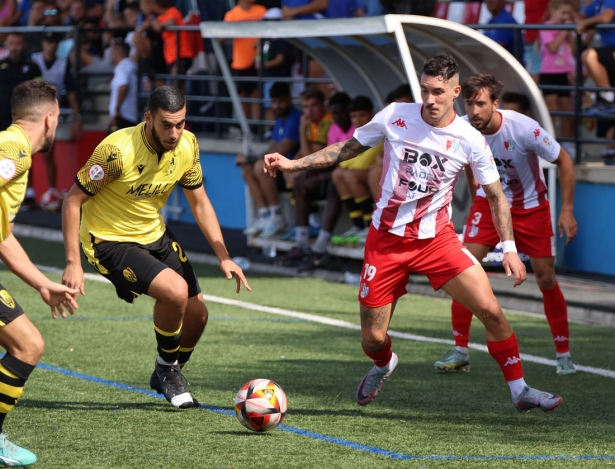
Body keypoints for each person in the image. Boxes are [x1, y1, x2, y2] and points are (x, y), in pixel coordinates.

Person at [264, 54, 564, 413]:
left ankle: (520, 390)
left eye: (438, 92)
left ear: (455, 92)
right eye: (424, 90)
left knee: (491, 311)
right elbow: (349, 147)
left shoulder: (470, 139)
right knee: (372, 338)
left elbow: (497, 196)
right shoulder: (395, 116)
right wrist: (294, 163)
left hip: (437, 241)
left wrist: (510, 248)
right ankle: (383, 364)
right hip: (386, 241)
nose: (430, 99)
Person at [61, 86, 251, 409]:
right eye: (166, 124)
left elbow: (200, 202)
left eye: (181, 124)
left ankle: (168, 370)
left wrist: (225, 257)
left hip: (154, 233)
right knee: (175, 291)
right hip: (108, 240)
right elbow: (72, 200)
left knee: (198, 317)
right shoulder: (117, 152)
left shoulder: (188, 146)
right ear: (148, 118)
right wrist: (73, 262)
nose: (175, 133)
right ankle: (166, 370)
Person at [433, 73, 578, 376]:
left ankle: (563, 354)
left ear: (495, 104)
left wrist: (566, 210)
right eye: (470, 104)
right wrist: (477, 202)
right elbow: (467, 169)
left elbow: (564, 161)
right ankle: (460, 351)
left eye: (481, 104)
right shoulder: (460, 129)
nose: (474, 111)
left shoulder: (523, 128)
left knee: (546, 278)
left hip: (530, 208)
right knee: (462, 269)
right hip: (488, 207)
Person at [0, 80, 79, 466]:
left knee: (27, 343)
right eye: (59, 118)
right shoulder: (14, 148)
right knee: (27, 345)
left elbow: (3, 238)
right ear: (49, 119)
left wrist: (43, 283)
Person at [275, 86, 333, 262]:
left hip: (330, 170)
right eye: (306, 106)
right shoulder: (311, 122)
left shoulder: (327, 122)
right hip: (318, 169)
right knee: (289, 172)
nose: (309, 111)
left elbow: (312, 158)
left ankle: (311, 225)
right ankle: (310, 222)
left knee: (300, 177)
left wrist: (301, 131)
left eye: (314, 105)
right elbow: (303, 155)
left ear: (323, 105)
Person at [237, 81, 301, 238]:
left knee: (260, 166)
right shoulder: (280, 120)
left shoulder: (295, 117)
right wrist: (250, 159)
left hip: (290, 169)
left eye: (281, 101)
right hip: (278, 169)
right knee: (247, 169)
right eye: (274, 102)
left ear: (289, 99)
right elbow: (273, 145)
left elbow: (284, 148)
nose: (277, 106)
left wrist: (253, 157)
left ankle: (277, 215)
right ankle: (265, 216)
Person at [31, 31, 83, 204]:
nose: (51, 45)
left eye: (54, 42)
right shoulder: (34, 60)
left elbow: (72, 91)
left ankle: (52, 190)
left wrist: (77, 116)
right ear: (43, 43)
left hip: (49, 115)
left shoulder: (62, 64)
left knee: (47, 153)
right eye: (48, 41)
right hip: (31, 112)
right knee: (26, 154)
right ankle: (28, 193)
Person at [329, 95, 380, 247]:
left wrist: (347, 162)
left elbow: (362, 163)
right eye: (354, 116)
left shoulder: (378, 131)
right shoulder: (361, 133)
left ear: (372, 113)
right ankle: (358, 225)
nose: (357, 120)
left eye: (362, 115)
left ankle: (371, 226)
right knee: (338, 174)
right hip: (368, 173)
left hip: (380, 175)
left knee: (350, 174)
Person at [578, 0, 615, 158]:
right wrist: (581, 21)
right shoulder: (597, 3)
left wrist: (585, 23)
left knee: (589, 55)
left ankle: (608, 96)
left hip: (611, 51)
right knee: (609, 111)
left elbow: (606, 18)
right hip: (609, 55)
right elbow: (580, 15)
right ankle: (610, 149)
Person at [539, 0, 576, 155]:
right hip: (549, 73)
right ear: (553, 11)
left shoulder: (566, 29)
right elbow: (553, 47)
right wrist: (564, 32)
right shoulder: (546, 27)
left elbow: (574, 49)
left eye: (568, 13)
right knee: (552, 109)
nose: (565, 16)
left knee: (567, 109)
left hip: (565, 73)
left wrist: (571, 34)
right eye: (563, 13)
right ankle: (549, 142)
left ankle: (567, 143)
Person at [223, 0, 267, 126]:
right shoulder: (232, 14)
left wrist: (259, 44)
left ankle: (257, 127)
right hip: (240, 62)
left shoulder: (261, 10)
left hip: (258, 61)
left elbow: (270, 30)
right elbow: (221, 37)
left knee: (256, 95)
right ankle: (245, 127)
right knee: (242, 96)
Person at [109, 39, 138, 132]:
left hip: (122, 117)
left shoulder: (122, 67)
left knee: (109, 146)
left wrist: (117, 109)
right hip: (130, 116)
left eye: (112, 51)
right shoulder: (131, 65)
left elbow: (123, 86)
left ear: (116, 52)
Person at [523, 0, 550, 82]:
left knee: (536, 70)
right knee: (535, 70)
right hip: (533, 37)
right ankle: (535, 94)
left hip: (542, 37)